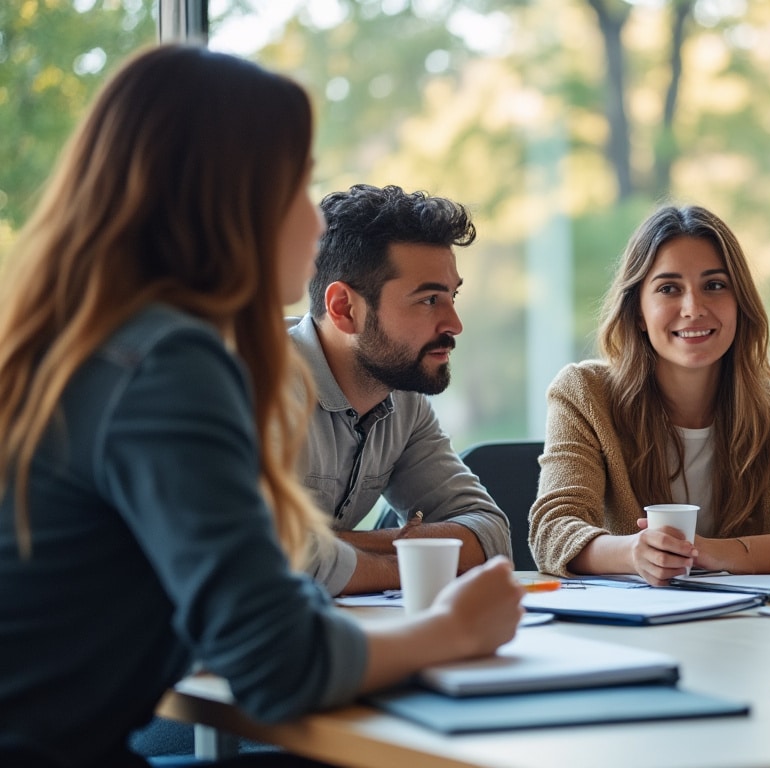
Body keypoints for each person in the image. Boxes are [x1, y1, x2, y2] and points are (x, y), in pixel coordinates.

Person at [0, 45, 523, 768]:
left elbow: (283, 586)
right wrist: (455, 630)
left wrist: (343, 557)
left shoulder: (91, 343)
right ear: (225, 199)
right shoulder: (167, 367)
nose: (315, 227)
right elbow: (280, 659)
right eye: (299, 188)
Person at [529, 205, 770, 584]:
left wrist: (711, 552)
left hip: (753, 625)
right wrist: (632, 552)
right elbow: (551, 531)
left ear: (740, 303)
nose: (693, 308)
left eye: (714, 286)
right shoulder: (584, 393)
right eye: (669, 289)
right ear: (638, 310)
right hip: (630, 631)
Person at [294, 184, 510, 596]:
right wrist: (415, 557)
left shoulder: (403, 397)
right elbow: (267, 557)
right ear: (344, 308)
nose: (454, 324)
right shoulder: (256, 386)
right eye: (429, 299)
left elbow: (489, 535)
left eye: (452, 295)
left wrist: (341, 552)